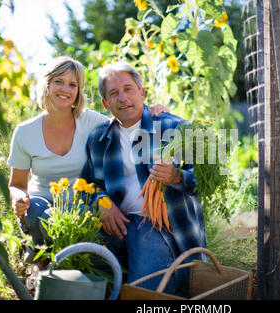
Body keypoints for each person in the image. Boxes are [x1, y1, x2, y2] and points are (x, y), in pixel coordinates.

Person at [7, 56, 168, 248]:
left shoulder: (93, 122)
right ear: (46, 85)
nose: (65, 89)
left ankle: (66, 259)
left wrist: (152, 110)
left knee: (59, 222)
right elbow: (16, 184)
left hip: (85, 206)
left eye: (72, 84)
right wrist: (18, 198)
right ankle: (38, 253)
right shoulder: (25, 132)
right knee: (35, 214)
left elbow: (125, 116)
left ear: (78, 91)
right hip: (42, 202)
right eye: (59, 81)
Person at [80, 61, 206, 291]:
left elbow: (206, 185)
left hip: (162, 227)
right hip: (118, 223)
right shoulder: (98, 139)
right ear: (106, 103)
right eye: (114, 93)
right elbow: (87, 186)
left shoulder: (176, 128)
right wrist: (103, 202)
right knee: (85, 268)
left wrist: (177, 177)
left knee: (145, 288)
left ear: (142, 92)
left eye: (128, 89)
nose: (123, 98)